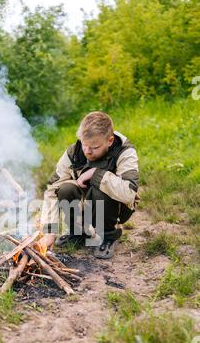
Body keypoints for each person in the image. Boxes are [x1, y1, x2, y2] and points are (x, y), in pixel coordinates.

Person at [38, 111, 140, 259]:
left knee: (101, 188)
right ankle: (78, 232)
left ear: (110, 141)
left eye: (94, 147)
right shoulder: (75, 150)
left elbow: (129, 193)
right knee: (65, 188)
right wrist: (49, 232)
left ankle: (108, 236)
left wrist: (95, 174)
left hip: (117, 206)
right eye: (85, 144)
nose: (87, 151)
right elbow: (52, 189)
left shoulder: (125, 152)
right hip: (87, 198)